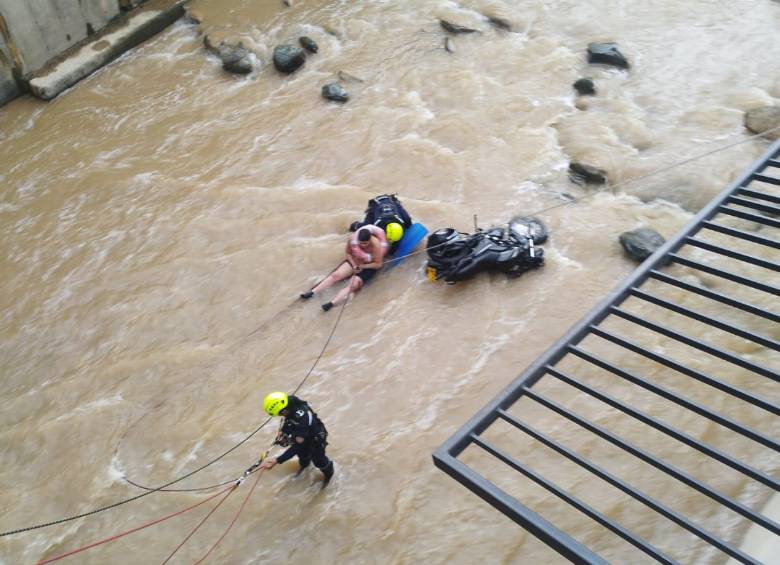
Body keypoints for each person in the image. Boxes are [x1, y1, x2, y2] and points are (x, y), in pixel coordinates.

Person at [300, 225, 388, 311]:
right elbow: (348, 253)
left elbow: (378, 264)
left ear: (370, 240)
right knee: (336, 275)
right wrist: (354, 265)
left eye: (365, 244)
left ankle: (331, 303)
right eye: (360, 243)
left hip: (369, 266)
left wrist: (363, 266)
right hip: (356, 261)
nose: (363, 246)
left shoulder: (376, 245)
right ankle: (312, 292)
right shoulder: (352, 239)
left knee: (353, 285)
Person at [259, 392, 334, 485]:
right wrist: (283, 431)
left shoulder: (304, 419)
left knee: (319, 461)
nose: (280, 416)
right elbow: (288, 419)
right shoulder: (290, 401)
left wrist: (277, 460)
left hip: (315, 437)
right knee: (302, 455)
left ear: (283, 410)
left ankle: (328, 474)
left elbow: (297, 446)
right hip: (301, 432)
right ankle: (304, 465)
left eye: (279, 414)